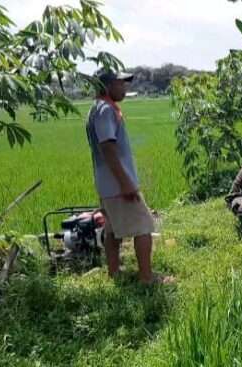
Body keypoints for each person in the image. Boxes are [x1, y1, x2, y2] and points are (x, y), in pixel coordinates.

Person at [85, 69, 173, 285]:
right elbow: (107, 147)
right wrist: (126, 183)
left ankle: (114, 273)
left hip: (106, 183)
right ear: (106, 86)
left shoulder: (97, 108)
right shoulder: (106, 110)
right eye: (120, 83)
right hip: (117, 185)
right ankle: (147, 277)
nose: (125, 87)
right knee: (143, 226)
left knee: (113, 230)